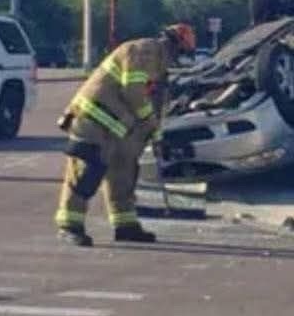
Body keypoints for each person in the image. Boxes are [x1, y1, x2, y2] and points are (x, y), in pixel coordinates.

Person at [54, 23, 196, 247]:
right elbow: (134, 93)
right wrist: (149, 122)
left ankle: (125, 224)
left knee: (124, 171)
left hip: (118, 126)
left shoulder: (160, 67)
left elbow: (154, 107)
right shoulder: (142, 51)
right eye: (180, 53)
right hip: (92, 117)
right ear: (173, 45)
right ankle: (69, 225)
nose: (178, 60)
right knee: (86, 171)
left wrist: (155, 134)